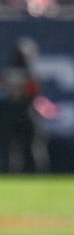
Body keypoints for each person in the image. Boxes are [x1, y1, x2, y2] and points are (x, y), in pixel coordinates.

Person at [0, 37, 50, 173]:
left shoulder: (8, 73)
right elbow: (36, 94)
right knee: (28, 146)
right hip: (23, 111)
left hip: (13, 111)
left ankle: (13, 172)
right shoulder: (30, 75)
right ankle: (33, 172)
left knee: (13, 146)